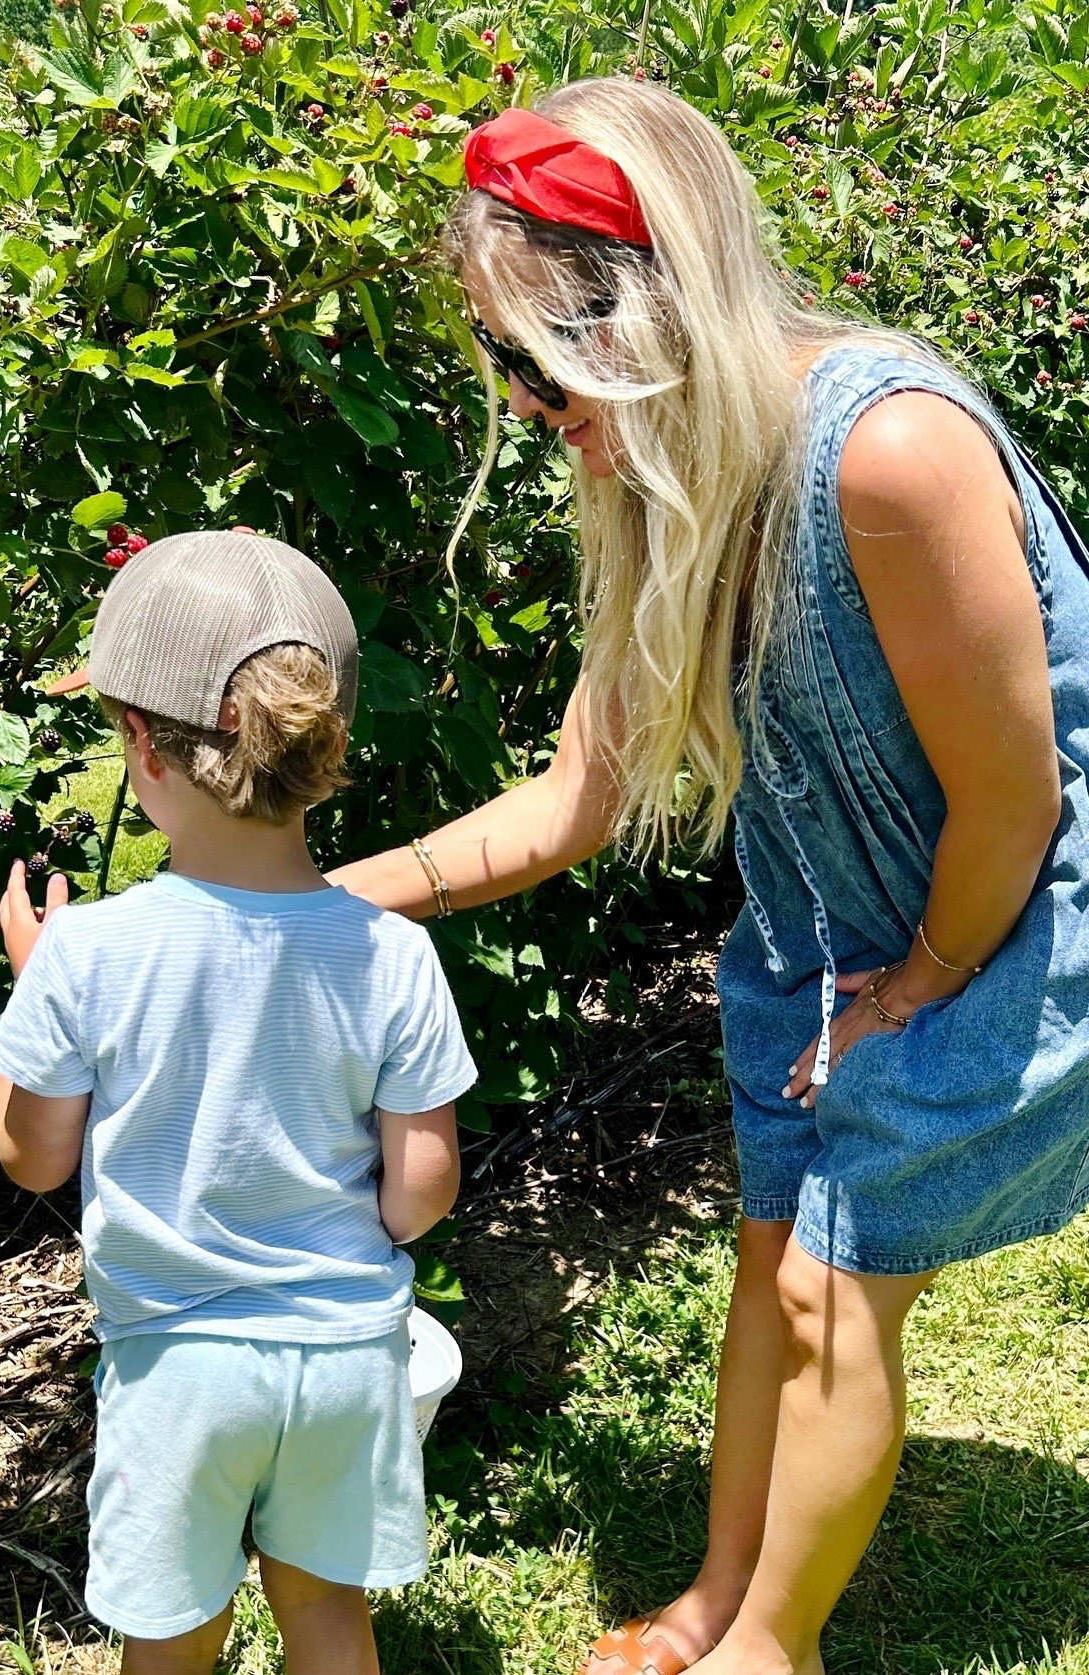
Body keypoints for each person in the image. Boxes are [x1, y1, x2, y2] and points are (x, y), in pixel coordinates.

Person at [329, 82, 1089, 1675]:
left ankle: (771, 1648)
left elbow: (1017, 800)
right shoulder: (670, 482)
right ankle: (717, 1597)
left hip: (1009, 909)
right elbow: (572, 800)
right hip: (843, 922)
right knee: (770, 1259)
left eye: (541, 361)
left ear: (653, 308)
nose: (527, 404)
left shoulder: (885, 452)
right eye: (502, 363)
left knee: (832, 1281)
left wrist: (918, 986)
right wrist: (321, 901)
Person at [0, 531, 477, 1675]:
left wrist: (37, 993)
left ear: (140, 745)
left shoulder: (89, 953)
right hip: (345, 1355)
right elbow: (422, 1191)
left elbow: (34, 1157)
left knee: (172, 1636)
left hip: (177, 1368)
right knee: (328, 1611)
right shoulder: (392, 952)